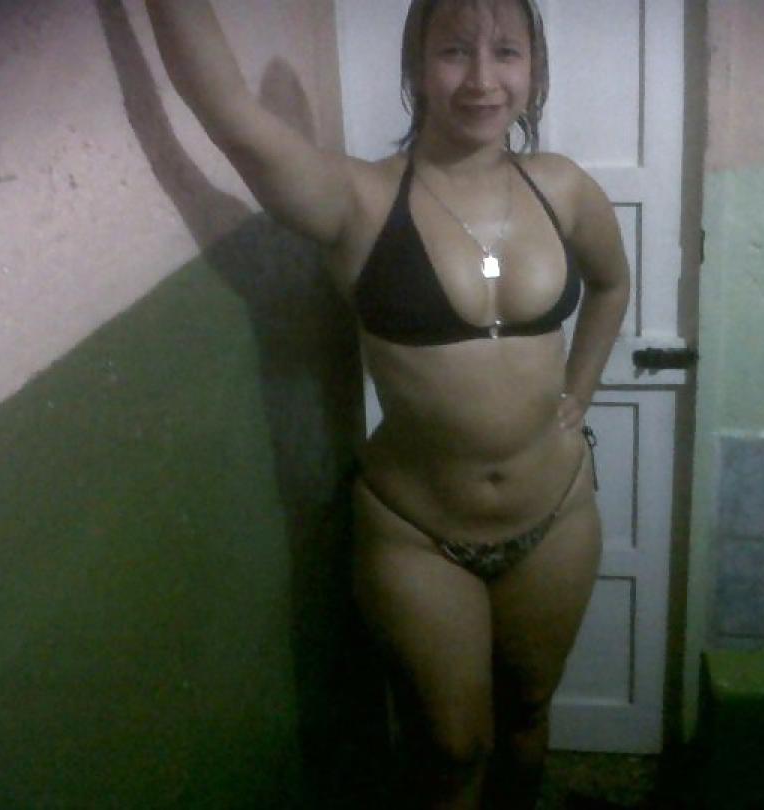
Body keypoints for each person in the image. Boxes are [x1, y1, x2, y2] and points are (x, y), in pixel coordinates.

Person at [146, 1, 629, 806]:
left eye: (506, 52)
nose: (482, 79)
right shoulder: (359, 199)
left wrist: (579, 391)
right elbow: (230, 115)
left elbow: (611, 283)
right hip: (417, 534)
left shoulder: (565, 188)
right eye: (454, 52)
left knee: (527, 714)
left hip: (556, 516)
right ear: (415, 67)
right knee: (451, 748)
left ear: (533, 69)